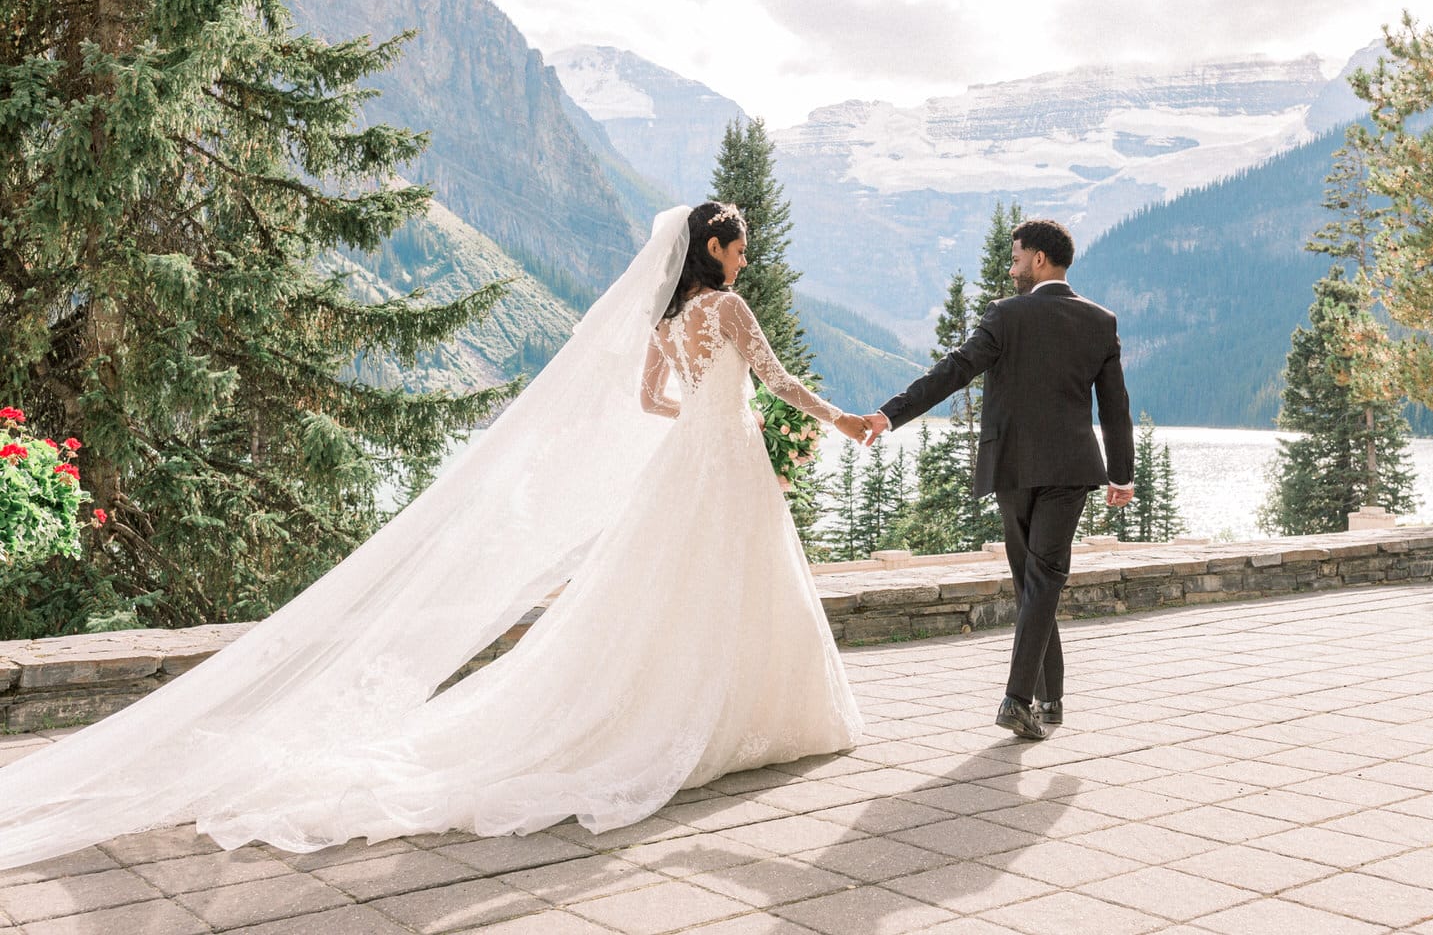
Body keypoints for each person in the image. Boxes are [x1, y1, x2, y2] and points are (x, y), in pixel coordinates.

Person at [0, 202, 867, 868]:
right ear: (715, 248)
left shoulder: (668, 324)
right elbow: (780, 381)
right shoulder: (727, 309)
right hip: (726, 462)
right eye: (739, 244)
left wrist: (698, 417)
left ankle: (692, 708)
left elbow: (648, 400)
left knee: (668, 590)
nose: (745, 256)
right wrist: (837, 422)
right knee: (735, 582)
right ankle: (740, 713)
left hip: (688, 463)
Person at [863, 218, 1133, 741]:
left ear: (1038, 259)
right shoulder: (1101, 321)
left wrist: (890, 415)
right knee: (1042, 580)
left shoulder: (1005, 317)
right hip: (1071, 469)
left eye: (1015, 258)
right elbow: (1115, 407)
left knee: (1037, 580)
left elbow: (953, 371)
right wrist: (1120, 474)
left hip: (1011, 467)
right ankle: (1045, 698)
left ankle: (1020, 698)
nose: (1011, 269)